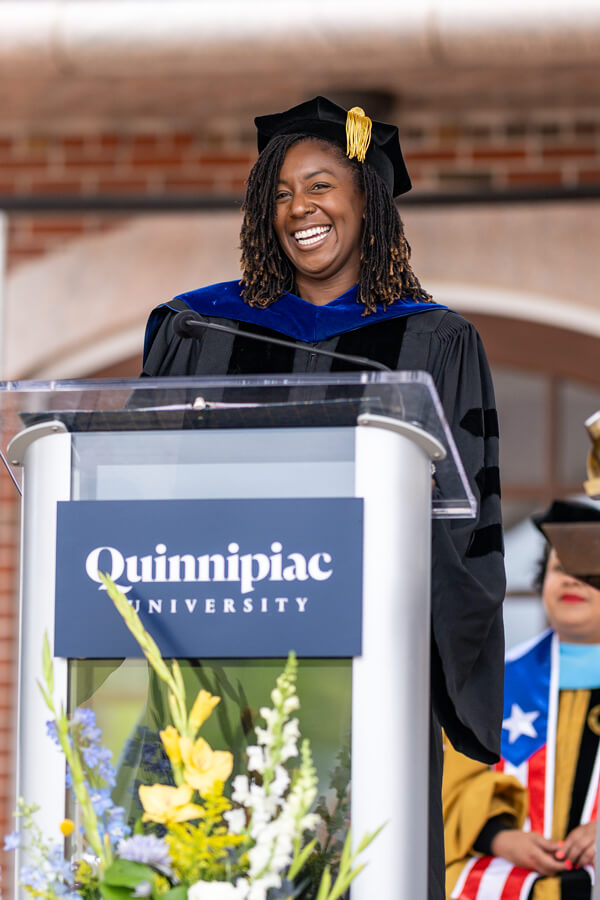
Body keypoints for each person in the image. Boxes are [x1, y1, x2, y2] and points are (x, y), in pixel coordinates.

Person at [142, 95, 506, 900]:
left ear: (366, 201)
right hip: (224, 657)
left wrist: (438, 664)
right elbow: (147, 497)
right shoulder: (202, 330)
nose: (298, 208)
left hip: (371, 668)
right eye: (279, 193)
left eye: (319, 185)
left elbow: (464, 532)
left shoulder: (434, 342)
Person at [444, 499, 600, 900]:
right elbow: (455, 783)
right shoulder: (498, 682)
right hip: (512, 880)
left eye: (590, 575)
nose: (571, 581)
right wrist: (500, 838)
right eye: (561, 569)